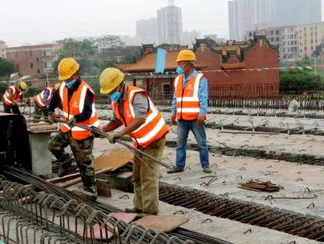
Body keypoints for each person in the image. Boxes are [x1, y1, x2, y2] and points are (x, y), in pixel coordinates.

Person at [99, 68, 169, 215]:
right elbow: (117, 120)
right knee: (136, 176)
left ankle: (150, 211)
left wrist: (120, 134)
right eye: (109, 92)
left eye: (112, 91)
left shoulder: (136, 95)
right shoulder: (117, 101)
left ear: (120, 84)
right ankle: (139, 206)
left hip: (154, 139)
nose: (111, 94)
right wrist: (101, 130)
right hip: (140, 142)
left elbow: (140, 119)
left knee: (147, 176)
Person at [46, 58, 99, 200]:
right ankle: (65, 161)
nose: (66, 81)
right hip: (67, 129)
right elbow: (53, 101)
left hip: (83, 132)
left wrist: (76, 118)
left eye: (68, 78)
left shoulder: (85, 90)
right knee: (52, 145)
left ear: (76, 74)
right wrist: (50, 112)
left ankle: (90, 192)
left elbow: (87, 112)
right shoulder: (62, 86)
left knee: (84, 163)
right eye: (64, 78)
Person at [168, 49, 212, 174]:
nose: (178, 65)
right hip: (181, 118)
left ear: (188, 63)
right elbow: (175, 98)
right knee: (180, 144)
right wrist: (173, 112)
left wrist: (202, 114)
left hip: (195, 118)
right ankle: (179, 166)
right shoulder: (178, 79)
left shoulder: (200, 79)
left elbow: (204, 98)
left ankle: (206, 165)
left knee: (201, 143)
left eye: (180, 62)